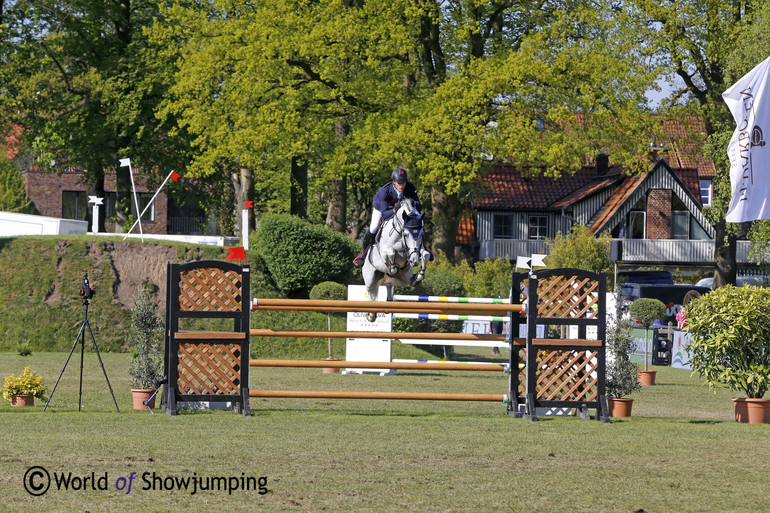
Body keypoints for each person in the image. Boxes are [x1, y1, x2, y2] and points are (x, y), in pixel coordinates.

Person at [353, 167, 422, 267]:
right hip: (382, 208)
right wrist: (395, 210)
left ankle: (422, 248)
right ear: (394, 182)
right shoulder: (384, 191)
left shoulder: (410, 187)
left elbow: (419, 207)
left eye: (403, 182)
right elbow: (385, 214)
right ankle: (363, 254)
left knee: (418, 221)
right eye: (399, 183)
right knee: (373, 227)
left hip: (401, 209)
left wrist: (414, 203)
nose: (401, 185)